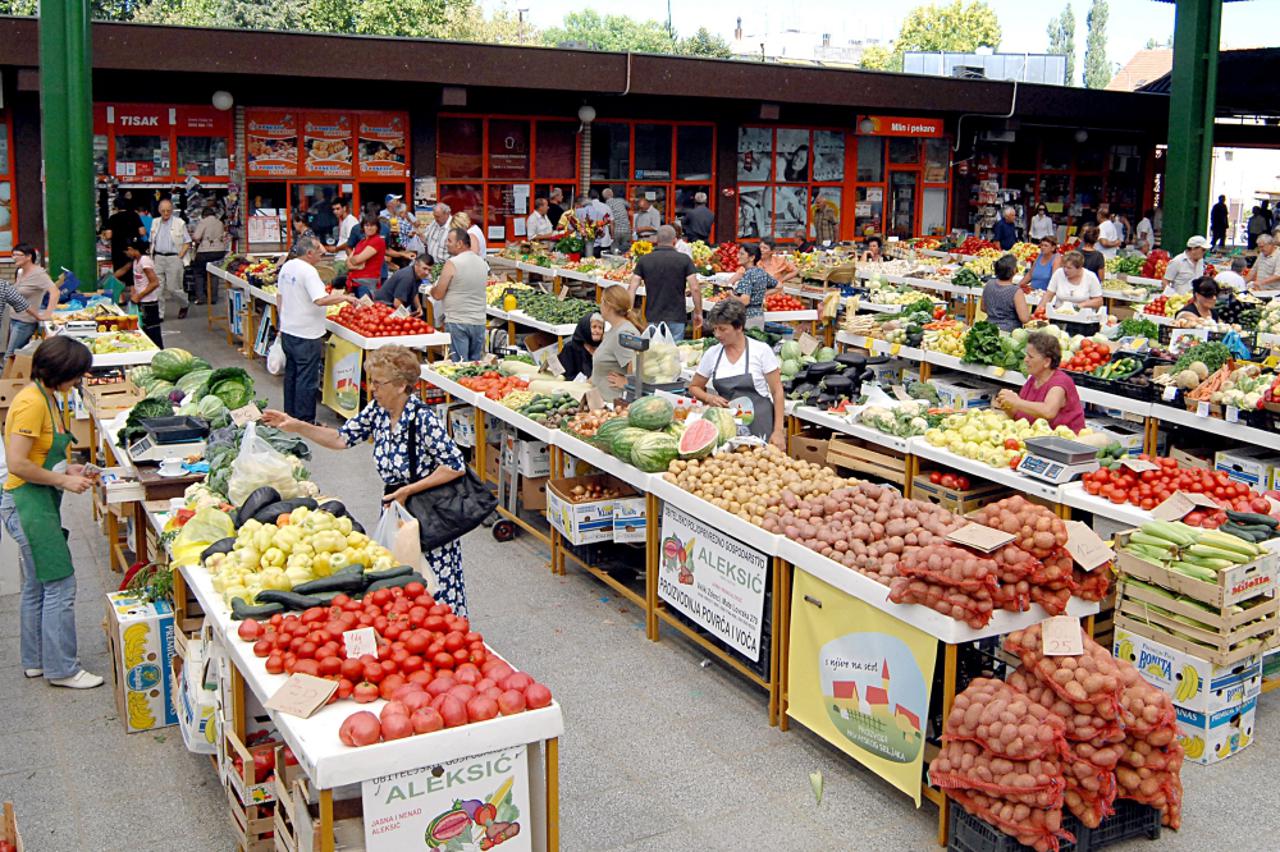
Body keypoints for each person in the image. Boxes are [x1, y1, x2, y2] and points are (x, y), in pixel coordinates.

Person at [262, 347, 471, 615]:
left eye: (377, 382)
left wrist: (409, 489)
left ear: (400, 386)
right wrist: (296, 425)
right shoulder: (378, 411)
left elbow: (454, 466)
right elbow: (341, 438)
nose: (372, 388)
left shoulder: (423, 419)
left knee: (432, 586)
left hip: (427, 515)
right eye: (371, 381)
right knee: (397, 579)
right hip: (395, 508)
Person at [2, 335, 103, 689]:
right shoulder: (31, 403)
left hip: (35, 497)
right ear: (61, 371)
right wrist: (61, 481)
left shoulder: (48, 397)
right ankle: (63, 669)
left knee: (37, 583)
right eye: (77, 375)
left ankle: (35, 661)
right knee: (60, 582)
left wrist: (69, 469)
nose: (78, 382)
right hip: (26, 501)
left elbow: (39, 454)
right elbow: (17, 464)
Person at [277, 235, 358, 423]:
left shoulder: (287, 267)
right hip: (307, 333)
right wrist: (345, 298)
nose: (322, 255)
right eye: (320, 252)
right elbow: (320, 300)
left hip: (289, 330)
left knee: (292, 373)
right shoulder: (308, 271)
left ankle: (289, 413)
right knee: (307, 377)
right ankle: (305, 420)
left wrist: (282, 322)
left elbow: (279, 296)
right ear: (309, 253)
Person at [688, 299, 787, 448]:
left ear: (739, 327)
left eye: (722, 329)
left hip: (760, 424)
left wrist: (778, 431)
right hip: (728, 427)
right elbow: (694, 386)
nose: (717, 334)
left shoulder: (761, 351)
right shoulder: (712, 354)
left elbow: (777, 391)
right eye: (714, 329)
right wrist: (709, 398)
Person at [994, 332, 1085, 433]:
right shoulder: (1033, 379)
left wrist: (1017, 402)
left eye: (1030, 357)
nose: (1025, 360)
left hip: (1066, 442)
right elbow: (1020, 414)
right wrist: (1007, 405)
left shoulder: (1059, 383)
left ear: (1046, 362)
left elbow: (1048, 411)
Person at [629, 224, 701, 340]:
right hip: (677, 316)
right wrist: (698, 312)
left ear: (657, 240)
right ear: (674, 240)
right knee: (674, 353)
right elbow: (695, 288)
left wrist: (629, 311)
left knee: (654, 353)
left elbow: (632, 288)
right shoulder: (684, 259)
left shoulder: (644, 260)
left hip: (653, 316)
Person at [432, 226, 489, 361]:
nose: (447, 244)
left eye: (449, 241)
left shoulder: (453, 263)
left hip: (458, 321)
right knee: (475, 365)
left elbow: (439, 294)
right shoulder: (482, 263)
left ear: (459, 244)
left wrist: (432, 289)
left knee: (460, 365)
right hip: (479, 321)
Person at [5, 244, 58, 358]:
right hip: (14, 318)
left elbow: (55, 292)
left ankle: (6, 375)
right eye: (12, 255)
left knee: (9, 355)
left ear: (29, 257)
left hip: (24, 322)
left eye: (17, 255)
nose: (14, 257)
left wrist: (47, 314)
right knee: (17, 355)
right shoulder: (20, 272)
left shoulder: (39, 274)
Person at [590, 288, 641, 401]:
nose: (600, 305)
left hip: (613, 402)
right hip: (602, 400)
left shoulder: (624, 333)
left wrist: (627, 382)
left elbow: (637, 362)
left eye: (602, 301)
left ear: (609, 306)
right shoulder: (615, 329)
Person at [149, 199, 192, 320]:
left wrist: (180, 256)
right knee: (158, 288)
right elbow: (151, 241)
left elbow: (187, 241)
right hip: (158, 257)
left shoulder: (179, 223)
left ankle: (184, 304)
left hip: (174, 257)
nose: (166, 213)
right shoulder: (155, 222)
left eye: (168, 210)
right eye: (163, 211)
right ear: (159, 211)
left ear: (172, 210)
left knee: (173, 288)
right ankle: (159, 314)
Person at [125, 238, 163, 348]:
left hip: (148, 302)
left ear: (131, 249)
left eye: (127, 252)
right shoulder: (136, 261)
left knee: (152, 333)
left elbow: (154, 282)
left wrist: (139, 296)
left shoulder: (145, 261)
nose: (127, 254)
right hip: (141, 302)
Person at [730, 243, 778, 330]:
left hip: (746, 318)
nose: (738, 256)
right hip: (759, 315)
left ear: (752, 258)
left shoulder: (748, 275)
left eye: (742, 254)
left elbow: (745, 301)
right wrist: (762, 293)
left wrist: (731, 295)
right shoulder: (761, 272)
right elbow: (779, 286)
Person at [102, 195, 145, 291]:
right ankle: (134, 294)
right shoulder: (134, 215)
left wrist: (105, 234)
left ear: (116, 207)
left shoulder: (113, 218)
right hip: (133, 248)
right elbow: (142, 231)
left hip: (118, 248)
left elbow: (109, 235)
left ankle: (119, 296)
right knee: (133, 272)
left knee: (119, 270)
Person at [981, 254, 1030, 332]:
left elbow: (983, 308)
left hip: (989, 329)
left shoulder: (989, 284)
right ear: (1014, 271)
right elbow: (1024, 318)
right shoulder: (1016, 291)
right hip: (1009, 332)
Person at [190, 206, 229, 304]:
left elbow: (196, 236)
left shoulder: (204, 222)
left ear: (204, 215)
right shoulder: (220, 222)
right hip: (219, 251)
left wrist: (198, 240)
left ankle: (201, 298)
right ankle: (213, 298)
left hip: (205, 251)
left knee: (199, 274)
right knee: (214, 274)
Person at [346, 216, 387, 299]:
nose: (369, 228)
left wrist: (354, 261)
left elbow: (356, 260)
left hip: (366, 285)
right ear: (362, 227)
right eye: (366, 225)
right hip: (354, 283)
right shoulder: (361, 242)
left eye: (372, 225)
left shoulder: (377, 240)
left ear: (377, 227)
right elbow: (348, 264)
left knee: (365, 309)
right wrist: (357, 265)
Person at [558, 312, 605, 381]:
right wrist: (586, 380)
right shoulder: (571, 348)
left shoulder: (603, 348)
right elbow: (565, 376)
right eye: (594, 327)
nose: (597, 331)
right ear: (585, 328)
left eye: (600, 328)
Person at [602, 187, 631, 253]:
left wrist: (611, 234)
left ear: (604, 197)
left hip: (616, 231)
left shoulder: (605, 206)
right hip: (626, 230)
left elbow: (608, 221)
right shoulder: (620, 200)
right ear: (612, 194)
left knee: (615, 252)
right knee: (626, 252)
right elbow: (629, 205)